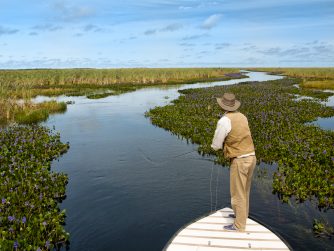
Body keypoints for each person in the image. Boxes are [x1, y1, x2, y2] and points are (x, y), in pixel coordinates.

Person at [211, 92, 256, 232]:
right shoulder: (242, 116)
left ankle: (239, 225)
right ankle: (240, 215)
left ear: (222, 106)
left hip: (240, 160)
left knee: (238, 193)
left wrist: (214, 148)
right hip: (252, 157)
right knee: (245, 191)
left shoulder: (224, 120)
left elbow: (217, 144)